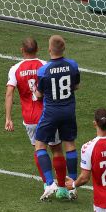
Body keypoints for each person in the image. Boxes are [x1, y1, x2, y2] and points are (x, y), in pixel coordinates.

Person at [4, 37, 72, 199]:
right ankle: (62, 188)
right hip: (49, 114)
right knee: (56, 149)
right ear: (38, 49)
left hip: (30, 118)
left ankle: (48, 183)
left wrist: (8, 118)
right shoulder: (45, 65)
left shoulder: (15, 69)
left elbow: (9, 93)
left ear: (22, 50)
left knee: (39, 148)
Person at [34, 35, 80, 201]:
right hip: (68, 110)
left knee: (40, 145)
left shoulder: (43, 70)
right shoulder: (72, 65)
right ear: (64, 49)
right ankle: (72, 184)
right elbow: (76, 86)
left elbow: (39, 94)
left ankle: (49, 182)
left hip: (51, 112)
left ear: (49, 50)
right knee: (69, 144)